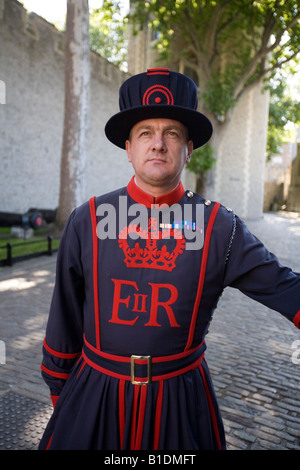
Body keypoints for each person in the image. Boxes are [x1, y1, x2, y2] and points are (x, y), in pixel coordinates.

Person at [39, 69, 300, 450]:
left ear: (188, 149)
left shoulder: (219, 226)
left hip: (181, 400)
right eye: (145, 132)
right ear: (128, 148)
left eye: (172, 134)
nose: (158, 144)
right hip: (95, 394)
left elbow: (284, 286)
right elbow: (64, 314)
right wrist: (61, 393)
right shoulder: (87, 218)